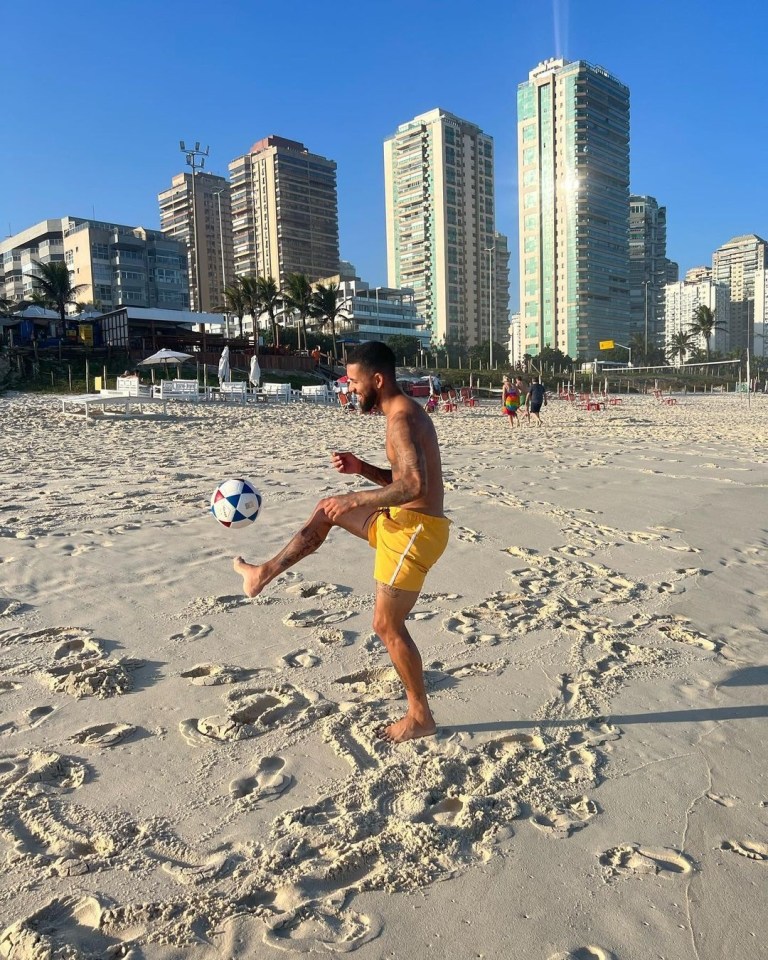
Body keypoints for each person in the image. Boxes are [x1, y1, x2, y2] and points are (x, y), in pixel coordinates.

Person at [234, 341, 449, 743]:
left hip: (415, 533)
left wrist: (355, 497)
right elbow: (405, 480)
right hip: (402, 521)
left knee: (386, 624)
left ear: (378, 379)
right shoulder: (401, 414)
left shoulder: (402, 418)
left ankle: (420, 716)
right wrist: (362, 469)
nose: (349, 388)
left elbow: (414, 485)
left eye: (353, 381)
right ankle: (262, 574)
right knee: (326, 511)